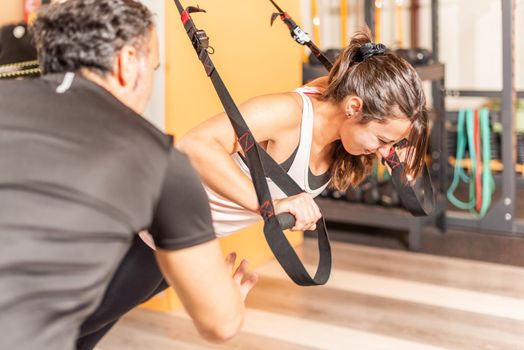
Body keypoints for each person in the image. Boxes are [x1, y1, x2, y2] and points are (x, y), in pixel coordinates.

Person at [78, 28, 429, 349]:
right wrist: (269, 206)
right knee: (70, 329)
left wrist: (399, 149)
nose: (385, 151)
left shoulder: (341, 112)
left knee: (85, 331)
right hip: (147, 225)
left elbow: (370, 118)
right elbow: (195, 146)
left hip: (187, 240)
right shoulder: (287, 114)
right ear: (354, 107)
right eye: (383, 140)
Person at [0, 1, 257, 350]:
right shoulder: (159, 160)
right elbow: (221, 324)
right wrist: (231, 299)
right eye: (153, 68)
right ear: (127, 63)